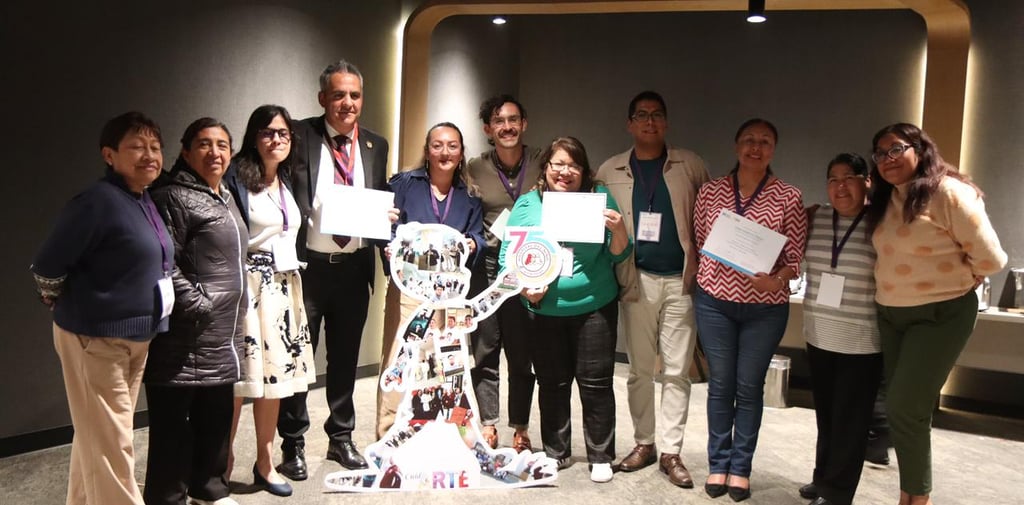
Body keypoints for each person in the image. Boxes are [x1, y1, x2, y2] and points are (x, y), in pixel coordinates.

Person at [31, 111, 171, 505]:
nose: (149, 155)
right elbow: (47, 264)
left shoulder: (141, 199)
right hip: (95, 339)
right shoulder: (96, 202)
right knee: (113, 446)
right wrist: (55, 296)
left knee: (100, 436)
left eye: (155, 147)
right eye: (137, 146)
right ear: (109, 155)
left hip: (135, 339)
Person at [866, 123, 1006, 505]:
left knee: (903, 406)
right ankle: (910, 493)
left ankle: (917, 497)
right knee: (908, 410)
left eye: (896, 149)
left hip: (940, 314)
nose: (888, 159)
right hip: (892, 314)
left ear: (920, 148)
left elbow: (992, 259)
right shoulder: (886, 198)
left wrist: (968, 275)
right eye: (880, 153)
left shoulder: (949, 192)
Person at [277, 59, 391, 480]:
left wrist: (386, 224)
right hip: (308, 268)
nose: (348, 103)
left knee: (345, 359)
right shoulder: (299, 134)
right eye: (339, 94)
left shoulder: (375, 145)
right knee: (298, 359)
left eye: (355, 95)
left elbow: (378, 196)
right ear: (322, 97)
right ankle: (292, 444)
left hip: (353, 268)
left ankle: (341, 437)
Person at [500, 136, 632, 483]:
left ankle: (600, 455)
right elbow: (506, 258)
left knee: (596, 383)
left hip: (594, 305)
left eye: (573, 165)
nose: (565, 171)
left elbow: (620, 252)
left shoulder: (599, 198)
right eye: (558, 164)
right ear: (545, 168)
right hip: (544, 308)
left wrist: (619, 230)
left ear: (584, 171)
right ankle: (556, 451)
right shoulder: (529, 204)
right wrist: (525, 289)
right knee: (552, 383)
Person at [596, 90, 710, 488]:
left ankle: (671, 451)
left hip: (681, 280)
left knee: (677, 371)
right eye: (642, 115)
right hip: (635, 278)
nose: (650, 121)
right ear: (630, 123)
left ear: (666, 122)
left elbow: (709, 215)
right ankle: (644, 442)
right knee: (639, 370)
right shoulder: (610, 169)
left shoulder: (689, 165)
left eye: (657, 114)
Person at [692, 118, 807, 502]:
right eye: (748, 140)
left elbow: (795, 258)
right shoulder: (710, 191)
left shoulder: (789, 196)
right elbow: (700, 241)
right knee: (720, 385)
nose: (755, 148)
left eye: (764, 142)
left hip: (765, 308)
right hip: (714, 304)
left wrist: (776, 280)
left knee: (748, 386)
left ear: (773, 149)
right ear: (736, 145)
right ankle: (718, 463)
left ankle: (741, 467)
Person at [145, 117, 248, 505]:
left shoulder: (225, 196)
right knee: (173, 427)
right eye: (204, 144)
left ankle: (209, 489)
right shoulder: (172, 195)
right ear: (186, 152)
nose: (215, 152)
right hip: (186, 333)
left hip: (223, 332)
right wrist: (197, 305)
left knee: (215, 417)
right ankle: (168, 498)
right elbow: (161, 261)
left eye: (222, 145)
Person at [224, 105, 317, 498]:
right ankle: (221, 462)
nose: (276, 139)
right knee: (239, 383)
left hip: (283, 287)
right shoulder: (235, 179)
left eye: (283, 133)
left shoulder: (288, 179)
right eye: (267, 132)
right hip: (248, 288)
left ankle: (265, 462)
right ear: (253, 137)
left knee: (275, 382)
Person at [376, 122, 485, 437]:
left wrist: (473, 243)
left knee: (451, 362)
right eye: (437, 145)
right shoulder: (403, 185)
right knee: (400, 357)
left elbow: (478, 234)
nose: (445, 152)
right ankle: (388, 433)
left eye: (452, 146)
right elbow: (385, 226)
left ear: (461, 153)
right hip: (409, 289)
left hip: (451, 292)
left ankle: (453, 435)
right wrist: (390, 244)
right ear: (427, 151)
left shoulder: (470, 195)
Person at [798, 153, 881, 505]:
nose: (840, 186)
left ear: (867, 182)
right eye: (833, 179)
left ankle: (837, 493)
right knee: (827, 416)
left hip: (861, 340)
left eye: (849, 178)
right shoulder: (815, 219)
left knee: (851, 420)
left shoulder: (881, 223)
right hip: (819, 334)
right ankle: (823, 479)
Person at [465, 94, 544, 451]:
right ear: (488, 129)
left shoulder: (542, 161)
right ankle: (488, 423)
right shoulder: (475, 168)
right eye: (499, 121)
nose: (507, 127)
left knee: (522, 351)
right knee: (485, 347)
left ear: (524, 124)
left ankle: (521, 427)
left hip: (529, 266)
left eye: (513, 120)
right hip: (487, 267)